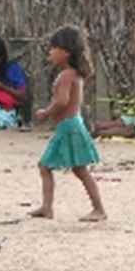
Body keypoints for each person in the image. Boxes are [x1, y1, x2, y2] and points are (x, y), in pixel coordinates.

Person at [29, 26, 106, 222]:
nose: (50, 52)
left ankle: (98, 209)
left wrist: (46, 112)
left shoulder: (66, 76)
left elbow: (62, 101)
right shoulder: (74, 74)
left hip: (69, 128)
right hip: (70, 126)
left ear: (66, 52)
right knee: (50, 166)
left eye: (53, 48)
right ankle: (47, 207)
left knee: (72, 169)